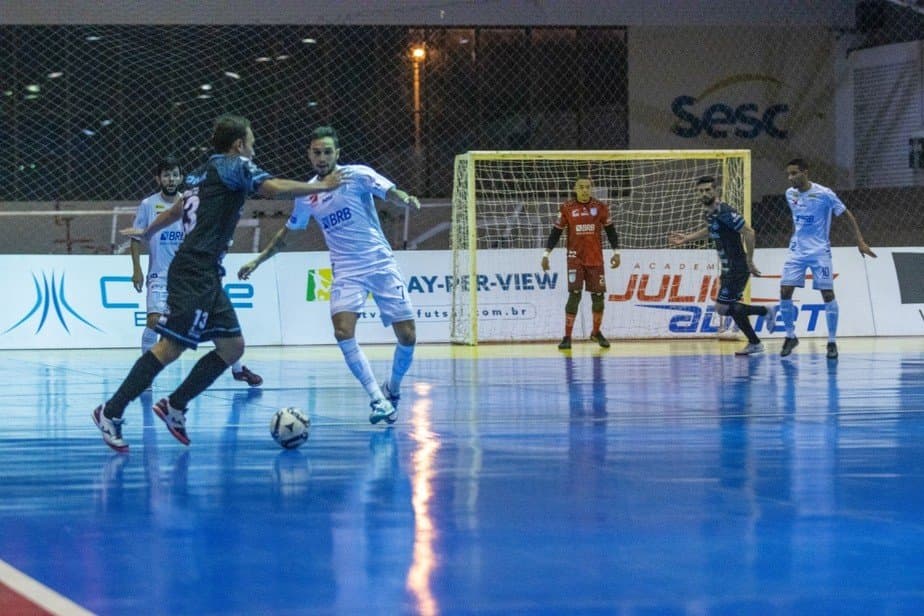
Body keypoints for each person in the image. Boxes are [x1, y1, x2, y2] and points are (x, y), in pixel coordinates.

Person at [92, 114, 341, 452]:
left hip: (207, 272)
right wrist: (319, 186)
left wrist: (148, 231)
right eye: (252, 140)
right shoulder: (234, 165)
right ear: (239, 144)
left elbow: (179, 207)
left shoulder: (204, 172)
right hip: (194, 270)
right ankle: (111, 411)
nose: (254, 147)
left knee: (232, 347)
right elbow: (271, 188)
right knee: (169, 348)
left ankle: (175, 405)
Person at [238, 125, 419, 425]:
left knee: (408, 336)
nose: (321, 158)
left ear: (337, 153)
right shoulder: (308, 194)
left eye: (327, 152)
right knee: (343, 332)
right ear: (309, 154)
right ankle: (377, 399)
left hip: (379, 264)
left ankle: (393, 388)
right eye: (316, 152)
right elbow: (289, 233)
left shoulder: (357, 175)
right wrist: (258, 260)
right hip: (346, 271)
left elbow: (389, 191)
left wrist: (405, 198)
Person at [131, 156, 263, 387]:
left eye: (175, 174)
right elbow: (136, 237)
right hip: (160, 276)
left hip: (191, 274)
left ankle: (238, 369)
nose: (171, 179)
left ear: (181, 178)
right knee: (153, 321)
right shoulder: (147, 205)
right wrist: (137, 269)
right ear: (158, 178)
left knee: (216, 326)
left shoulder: (191, 200)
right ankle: (145, 378)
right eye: (166, 174)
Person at [777, 158, 877, 359]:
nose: (790, 178)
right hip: (796, 251)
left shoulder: (825, 194)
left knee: (827, 294)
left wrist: (860, 242)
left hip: (819, 251)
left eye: (794, 173)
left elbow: (847, 215)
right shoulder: (790, 194)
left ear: (805, 172)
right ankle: (790, 336)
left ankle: (831, 342)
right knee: (785, 290)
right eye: (788, 174)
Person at [668, 175, 775, 356]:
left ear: (716, 190)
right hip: (728, 268)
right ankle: (756, 339)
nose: (704, 193)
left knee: (723, 307)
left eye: (708, 190)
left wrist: (749, 260)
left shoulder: (724, 211)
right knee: (729, 308)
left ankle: (764, 314)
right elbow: (711, 229)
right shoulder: (710, 212)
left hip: (737, 267)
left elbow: (749, 232)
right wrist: (687, 238)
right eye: (701, 191)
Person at [540, 176, 620, 350]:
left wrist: (616, 252)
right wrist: (546, 254)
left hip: (595, 260)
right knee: (574, 295)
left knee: (598, 298)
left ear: (591, 189)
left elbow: (611, 231)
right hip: (575, 259)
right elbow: (556, 232)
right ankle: (567, 337)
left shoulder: (600, 207)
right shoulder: (567, 208)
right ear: (575, 189)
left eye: (587, 187)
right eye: (581, 187)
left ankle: (596, 332)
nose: (584, 190)